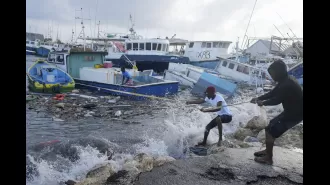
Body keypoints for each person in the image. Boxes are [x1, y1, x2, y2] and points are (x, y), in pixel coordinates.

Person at [250, 60, 303, 165]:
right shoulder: (285, 80)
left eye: (273, 74)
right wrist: (258, 98)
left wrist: (262, 103)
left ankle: (269, 158)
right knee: (269, 127)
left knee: (271, 131)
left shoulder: (287, 84)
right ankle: (267, 151)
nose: (272, 76)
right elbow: (272, 93)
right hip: (291, 111)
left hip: (296, 114)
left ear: (279, 72)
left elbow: (276, 100)